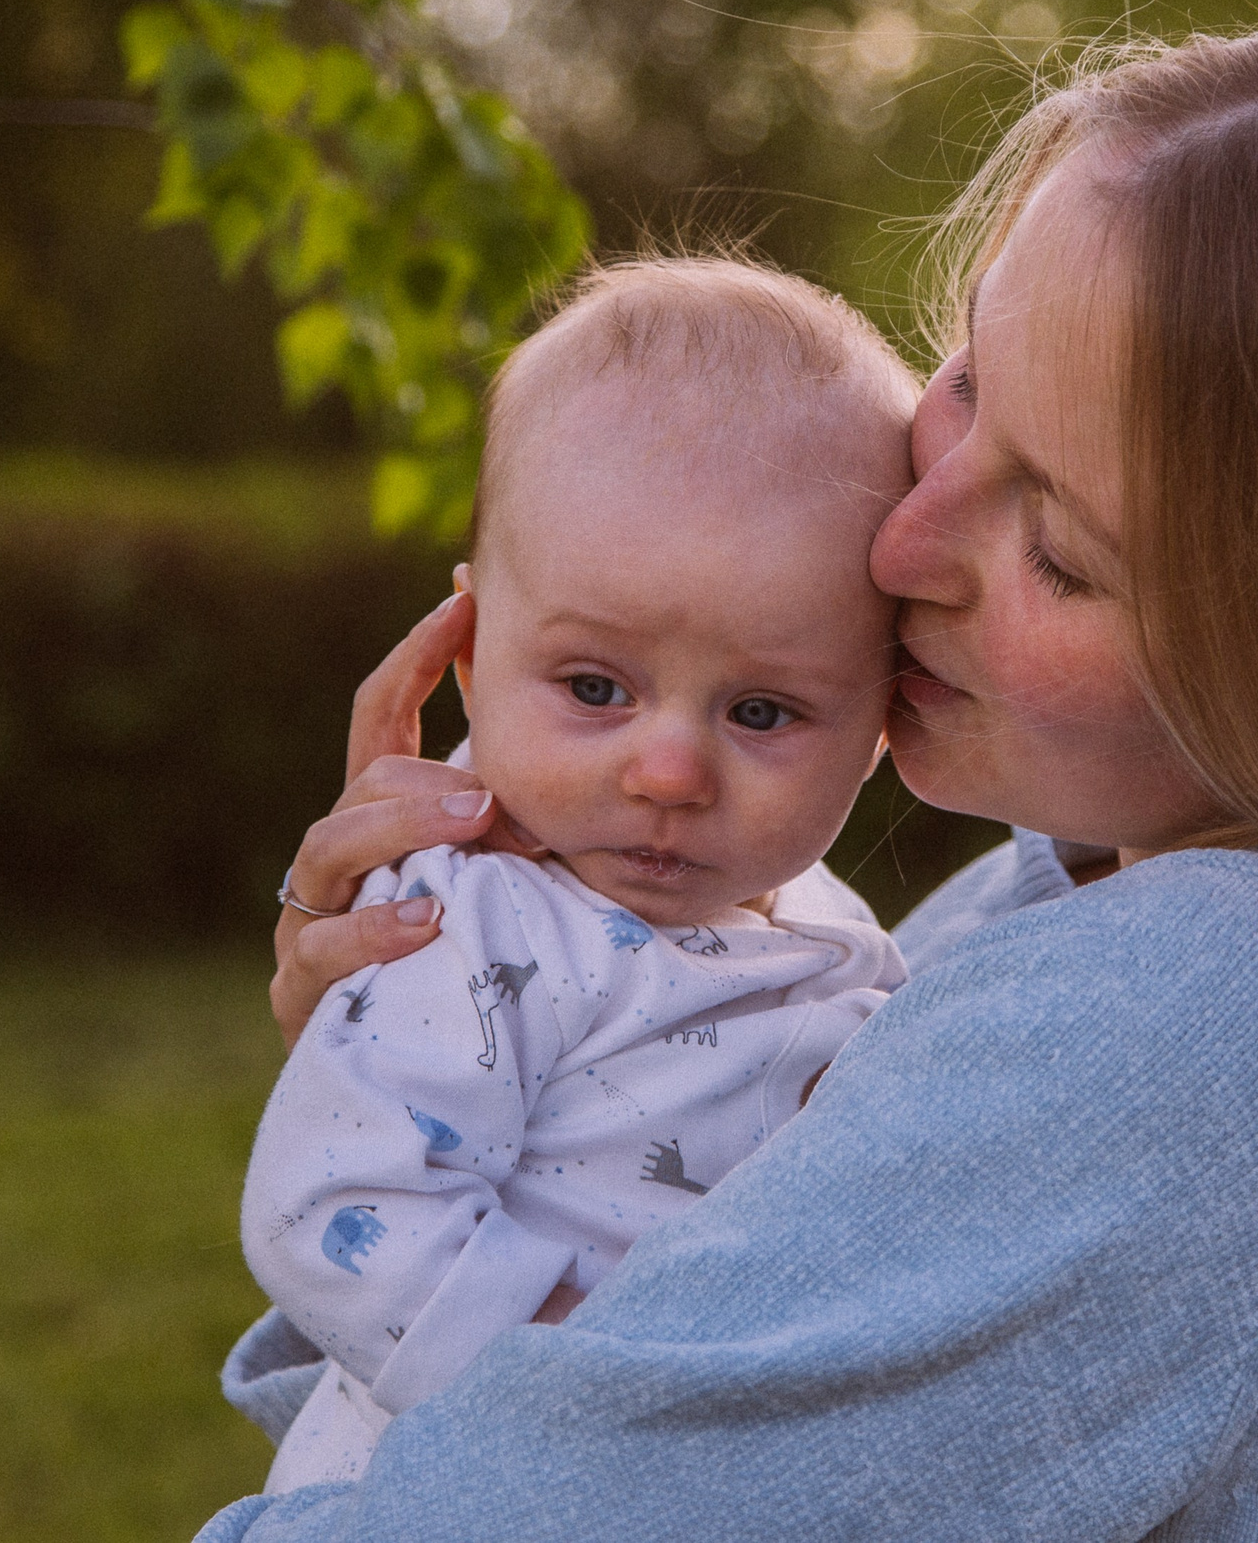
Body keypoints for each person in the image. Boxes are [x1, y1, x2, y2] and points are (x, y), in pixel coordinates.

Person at [206, 3, 1258, 1543]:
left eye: (1054, 544)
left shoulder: (1194, 1024)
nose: (900, 542)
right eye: (964, 383)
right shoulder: (1031, 911)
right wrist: (435, 1047)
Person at [242, 259, 916, 1493]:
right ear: (468, 650)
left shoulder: (832, 932)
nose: (668, 769)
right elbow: (337, 1211)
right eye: (595, 688)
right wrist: (589, 1378)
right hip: (472, 1487)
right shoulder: (469, 918)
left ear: (882, 724)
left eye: (762, 711)